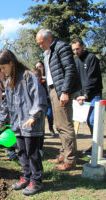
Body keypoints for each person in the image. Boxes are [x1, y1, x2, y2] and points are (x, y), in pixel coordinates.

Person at [0, 50, 47, 196]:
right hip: (17, 124)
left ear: (11, 63)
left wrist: (33, 116)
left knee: (32, 152)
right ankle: (26, 177)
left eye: (3, 67)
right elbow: (6, 103)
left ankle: (36, 180)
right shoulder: (8, 81)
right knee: (22, 151)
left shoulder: (28, 76)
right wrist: (2, 120)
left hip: (31, 124)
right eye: (0, 68)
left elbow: (39, 97)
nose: (2, 71)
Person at [36, 29, 80, 171]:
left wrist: (65, 92)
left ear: (49, 39)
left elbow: (70, 69)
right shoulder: (48, 52)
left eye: (42, 43)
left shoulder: (62, 47)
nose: (40, 46)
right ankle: (63, 154)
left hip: (61, 90)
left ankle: (70, 160)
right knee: (59, 125)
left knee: (65, 126)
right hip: (53, 90)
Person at [71, 38, 103, 154]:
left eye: (78, 49)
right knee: (88, 121)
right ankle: (95, 146)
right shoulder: (77, 61)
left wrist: (85, 94)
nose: (76, 52)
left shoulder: (91, 58)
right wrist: (79, 95)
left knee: (93, 120)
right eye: (74, 49)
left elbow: (92, 78)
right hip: (83, 96)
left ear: (83, 46)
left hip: (94, 95)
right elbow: (78, 80)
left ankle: (98, 149)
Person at [35, 61, 56, 137]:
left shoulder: (48, 76)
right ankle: (42, 131)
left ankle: (51, 128)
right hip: (40, 100)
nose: (39, 68)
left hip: (48, 99)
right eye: (37, 67)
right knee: (42, 117)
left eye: (40, 66)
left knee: (50, 114)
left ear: (43, 67)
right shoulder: (36, 78)